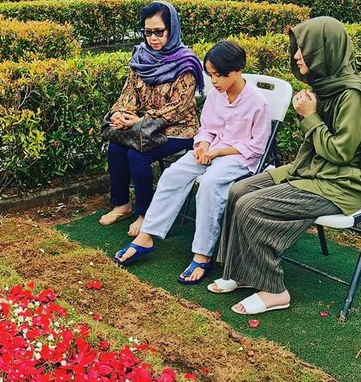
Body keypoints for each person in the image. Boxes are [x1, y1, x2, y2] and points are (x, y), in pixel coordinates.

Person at [209, 17, 361, 316]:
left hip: (339, 184)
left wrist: (309, 116)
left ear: (325, 50)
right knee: (239, 190)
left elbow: (340, 153)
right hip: (312, 170)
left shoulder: (352, 94)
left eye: (303, 49)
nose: (295, 56)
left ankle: (274, 290)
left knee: (252, 205)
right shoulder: (325, 85)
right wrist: (310, 114)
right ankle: (241, 271)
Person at [114, 41, 270, 284]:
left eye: (219, 75)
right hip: (210, 151)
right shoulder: (216, 95)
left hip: (239, 158)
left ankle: (203, 254)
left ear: (238, 70)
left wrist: (216, 153)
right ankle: (147, 236)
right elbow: (206, 128)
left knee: (209, 185)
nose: (214, 81)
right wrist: (204, 146)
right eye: (210, 75)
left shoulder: (257, 102)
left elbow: (256, 147)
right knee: (173, 174)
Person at [100, 1, 204, 237]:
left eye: (159, 31)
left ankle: (145, 213)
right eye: (148, 32)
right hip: (141, 126)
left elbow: (178, 107)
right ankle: (121, 205)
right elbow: (129, 93)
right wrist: (121, 113)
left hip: (178, 129)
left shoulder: (185, 62)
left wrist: (139, 121)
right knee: (116, 147)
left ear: (172, 29)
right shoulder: (141, 56)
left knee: (137, 154)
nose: (153, 38)